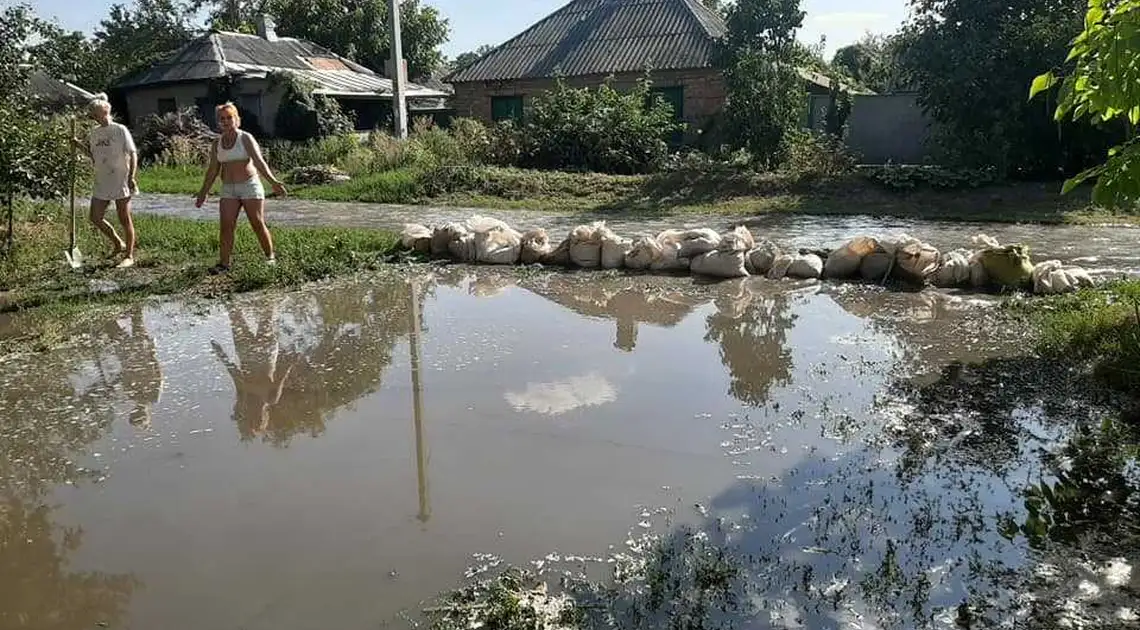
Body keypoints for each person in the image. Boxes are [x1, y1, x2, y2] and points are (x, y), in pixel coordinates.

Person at [194, 102, 286, 274]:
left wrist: (274, 182)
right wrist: (202, 193)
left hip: (249, 186)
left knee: (257, 223)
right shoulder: (217, 143)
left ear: (237, 119)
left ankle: (270, 257)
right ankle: (224, 264)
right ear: (218, 122)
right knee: (226, 225)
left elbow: (259, 162)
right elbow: (213, 170)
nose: (226, 121)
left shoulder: (245, 138)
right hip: (229, 189)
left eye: (230, 117)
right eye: (222, 119)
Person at [71, 95, 139, 268]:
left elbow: (132, 153)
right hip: (102, 179)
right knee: (95, 217)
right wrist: (79, 146)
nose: (97, 117)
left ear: (107, 112)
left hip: (121, 178)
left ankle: (129, 255)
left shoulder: (120, 129)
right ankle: (118, 243)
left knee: (124, 218)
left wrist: (131, 176)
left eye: (99, 114)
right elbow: (95, 156)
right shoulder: (94, 133)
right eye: (94, 115)